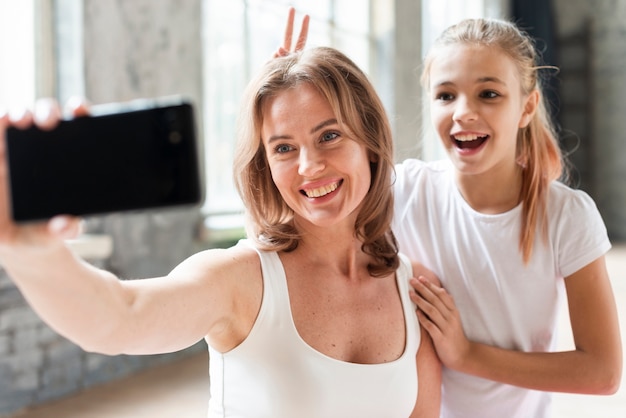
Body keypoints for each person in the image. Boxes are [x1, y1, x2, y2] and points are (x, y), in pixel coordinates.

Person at [0, 46, 440, 417]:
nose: (309, 166)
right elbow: (120, 317)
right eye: (284, 147)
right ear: (265, 166)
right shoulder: (238, 278)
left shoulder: (414, 286)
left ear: (370, 143)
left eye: (329, 136)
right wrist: (28, 249)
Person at [279, 10, 622, 418]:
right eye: (446, 95)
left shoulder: (566, 215)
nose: (462, 112)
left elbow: (602, 371)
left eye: (488, 94)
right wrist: (283, 95)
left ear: (527, 107)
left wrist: (467, 354)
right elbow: (299, 200)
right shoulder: (402, 190)